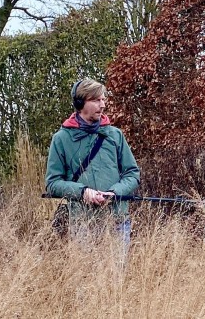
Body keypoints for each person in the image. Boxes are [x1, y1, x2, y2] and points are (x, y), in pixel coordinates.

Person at [45, 78, 140, 245]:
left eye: (103, 99)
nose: (102, 105)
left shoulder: (115, 135)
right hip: (83, 222)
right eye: (96, 100)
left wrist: (115, 192)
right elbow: (53, 183)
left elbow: (132, 174)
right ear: (81, 103)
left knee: (117, 272)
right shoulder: (61, 139)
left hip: (117, 220)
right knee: (86, 272)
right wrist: (82, 192)